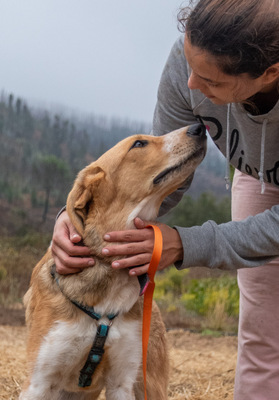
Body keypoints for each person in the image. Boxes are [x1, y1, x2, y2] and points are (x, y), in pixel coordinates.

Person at [51, 0, 279, 399]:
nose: (191, 84)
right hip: (259, 177)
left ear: (270, 73)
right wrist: (79, 221)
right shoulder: (189, 65)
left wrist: (187, 243)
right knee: (263, 325)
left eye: (212, 81)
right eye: (190, 64)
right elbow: (160, 176)